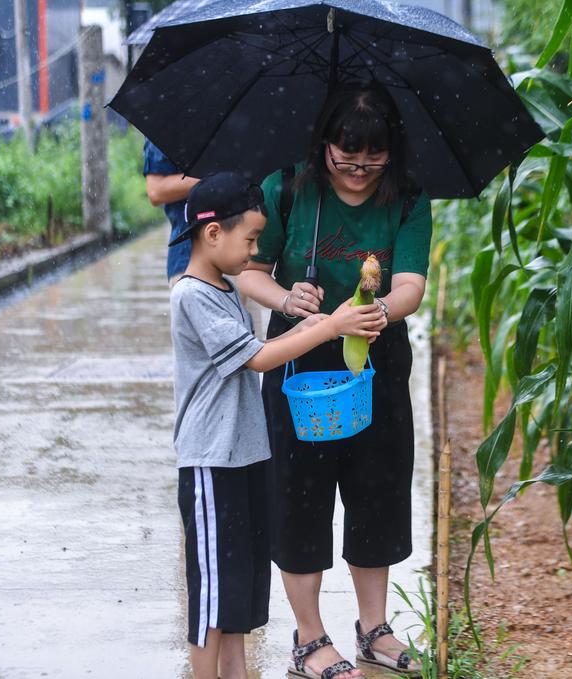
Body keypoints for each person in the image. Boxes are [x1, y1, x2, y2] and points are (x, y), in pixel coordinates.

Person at [236, 82, 432, 679]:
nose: (359, 170)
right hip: (299, 354)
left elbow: (411, 284)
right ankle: (310, 637)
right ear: (323, 146)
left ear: (391, 153)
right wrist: (288, 297)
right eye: (345, 159)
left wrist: (377, 312)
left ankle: (374, 628)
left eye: (373, 160)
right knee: (300, 495)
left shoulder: (407, 197)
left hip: (376, 352)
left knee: (377, 489)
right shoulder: (288, 188)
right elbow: (249, 271)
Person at [169, 171, 383, 679]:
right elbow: (259, 359)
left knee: (241, 582)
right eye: (250, 240)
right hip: (211, 461)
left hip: (243, 455)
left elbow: (260, 348)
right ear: (213, 233)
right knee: (214, 589)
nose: (255, 251)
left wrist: (309, 319)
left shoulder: (223, 288)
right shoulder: (192, 295)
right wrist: (330, 326)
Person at [143, 139, 200, 284]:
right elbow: (156, 191)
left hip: (238, 258)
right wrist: (214, 176)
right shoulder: (167, 124)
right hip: (189, 258)